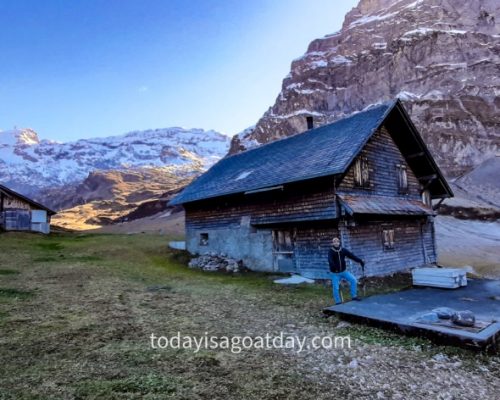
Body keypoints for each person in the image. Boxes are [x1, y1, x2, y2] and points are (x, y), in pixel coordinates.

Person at [328, 236, 365, 304]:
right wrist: (334, 267)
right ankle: (338, 302)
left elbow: (352, 256)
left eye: (337, 242)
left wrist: (360, 261)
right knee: (336, 287)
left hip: (344, 272)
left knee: (353, 280)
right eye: (334, 242)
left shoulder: (343, 250)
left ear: (339, 243)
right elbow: (330, 260)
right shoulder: (331, 251)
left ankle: (354, 296)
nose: (336, 243)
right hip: (335, 273)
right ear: (332, 243)